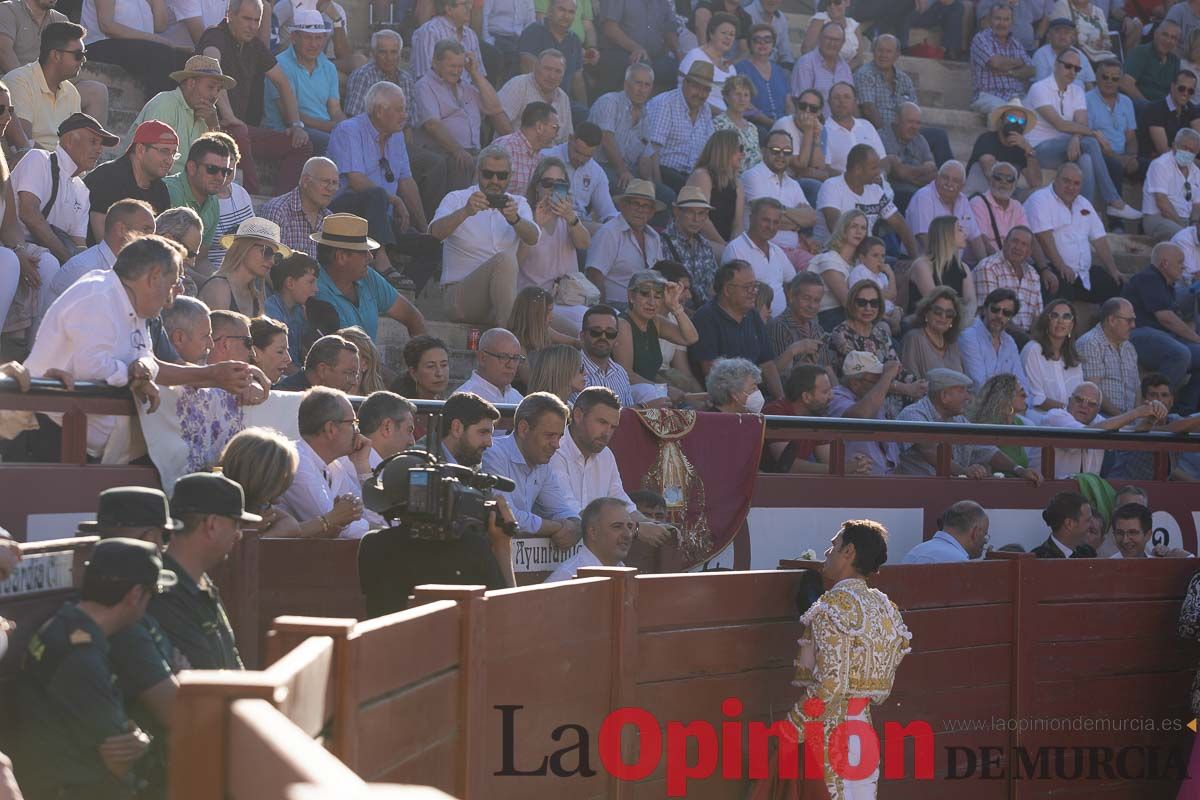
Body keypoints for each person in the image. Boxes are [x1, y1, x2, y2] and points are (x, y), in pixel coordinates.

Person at [15, 538, 174, 800]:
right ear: (135, 595)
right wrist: (143, 741)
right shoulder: (81, 657)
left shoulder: (64, 624)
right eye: (151, 593)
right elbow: (121, 757)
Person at [766, 519, 910, 800]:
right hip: (865, 730)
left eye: (833, 545)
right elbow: (882, 691)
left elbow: (831, 685)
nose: (827, 552)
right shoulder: (885, 608)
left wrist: (793, 725)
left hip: (832, 734)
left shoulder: (831, 607)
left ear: (849, 552)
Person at [198, 0, 312, 195]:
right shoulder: (215, 35)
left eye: (256, 20)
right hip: (208, 126)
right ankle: (253, 198)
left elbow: (283, 83)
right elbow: (210, 65)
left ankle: (281, 201)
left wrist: (296, 125)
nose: (252, 26)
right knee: (239, 131)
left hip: (238, 129)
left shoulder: (254, 46)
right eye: (246, 19)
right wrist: (229, 115)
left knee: (302, 144)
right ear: (230, 16)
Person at [149, 473, 259, 670]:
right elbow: (207, 675)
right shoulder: (164, 593)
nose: (239, 534)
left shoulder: (200, 581)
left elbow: (231, 662)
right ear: (212, 525)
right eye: (236, 524)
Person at [326, 82, 430, 282]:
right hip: (346, 213)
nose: (405, 115)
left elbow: (406, 181)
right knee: (377, 194)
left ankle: (399, 293)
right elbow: (356, 181)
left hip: (382, 219)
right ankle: (382, 262)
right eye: (399, 110)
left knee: (432, 245)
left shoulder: (397, 135)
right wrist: (395, 201)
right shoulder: (349, 130)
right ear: (380, 111)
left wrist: (424, 227)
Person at [1024, 48, 1141, 220]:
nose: (1072, 72)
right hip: (1039, 149)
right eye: (1068, 66)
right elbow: (1060, 124)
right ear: (1056, 65)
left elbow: (1081, 123)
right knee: (1092, 143)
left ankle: (1083, 214)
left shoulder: (1077, 91)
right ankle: (1114, 201)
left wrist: (1076, 138)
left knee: (1086, 159)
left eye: (1076, 69)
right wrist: (1094, 134)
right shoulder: (1039, 88)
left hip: (1065, 147)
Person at [430, 144, 538, 326]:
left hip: (502, 298)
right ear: (478, 173)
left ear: (510, 176)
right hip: (460, 296)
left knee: (552, 318)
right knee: (504, 259)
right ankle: (507, 341)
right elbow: (434, 234)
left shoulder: (518, 204)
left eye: (502, 176)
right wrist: (465, 211)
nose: (495, 181)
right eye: (488, 174)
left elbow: (533, 237)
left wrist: (515, 220)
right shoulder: (457, 198)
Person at [547, 386, 674, 538]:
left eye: (613, 427)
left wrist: (654, 526)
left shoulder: (606, 455)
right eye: (601, 422)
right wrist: (637, 529)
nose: (607, 433)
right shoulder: (554, 449)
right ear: (578, 415)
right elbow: (571, 513)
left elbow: (622, 502)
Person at [897, 367, 1042, 481]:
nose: (967, 397)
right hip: (916, 495)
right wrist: (964, 472)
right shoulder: (914, 415)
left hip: (946, 492)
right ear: (944, 396)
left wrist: (1019, 470)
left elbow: (985, 449)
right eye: (962, 391)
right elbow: (929, 451)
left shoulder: (957, 418)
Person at [13, 112, 115, 267]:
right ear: (69, 141)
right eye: (93, 141)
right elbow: (29, 213)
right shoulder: (38, 159)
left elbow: (78, 244)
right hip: (12, 246)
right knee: (48, 263)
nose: (99, 150)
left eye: (100, 144)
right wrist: (69, 260)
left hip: (48, 256)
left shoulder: (82, 190)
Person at [482, 391, 582, 547]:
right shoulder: (493, 454)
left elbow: (562, 510)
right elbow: (507, 516)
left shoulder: (542, 464)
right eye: (549, 435)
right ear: (523, 429)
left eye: (560, 436)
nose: (557, 445)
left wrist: (575, 525)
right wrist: (557, 527)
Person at [413, 39, 511, 192]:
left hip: (474, 152)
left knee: (500, 167)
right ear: (435, 62)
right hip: (445, 152)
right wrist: (458, 150)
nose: (456, 71)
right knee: (463, 165)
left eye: (460, 67)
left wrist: (474, 73)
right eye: (452, 66)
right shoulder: (424, 86)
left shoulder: (467, 87)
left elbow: (494, 108)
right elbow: (432, 125)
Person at [276, 386, 371, 539]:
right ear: (331, 429)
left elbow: (369, 512)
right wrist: (378, 529)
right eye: (352, 423)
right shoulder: (296, 463)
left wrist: (362, 466)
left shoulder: (335, 465)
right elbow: (343, 528)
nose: (357, 432)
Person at [1026, 163, 1125, 304]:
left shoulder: (1084, 203)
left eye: (1076, 183)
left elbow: (1099, 239)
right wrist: (1061, 266)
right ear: (1056, 179)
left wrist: (1113, 270)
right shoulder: (1040, 200)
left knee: (1117, 286)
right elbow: (1044, 238)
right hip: (1052, 268)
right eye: (1066, 181)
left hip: (1083, 274)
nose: (1071, 187)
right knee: (1060, 289)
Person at [1123, 241, 1200, 412]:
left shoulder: (1167, 285)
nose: (1184, 266)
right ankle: (1153, 407)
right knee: (1181, 353)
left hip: (1161, 337)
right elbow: (1166, 318)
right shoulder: (1149, 278)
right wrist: (1196, 338)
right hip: (1138, 334)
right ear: (1164, 263)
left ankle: (1183, 410)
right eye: (1180, 262)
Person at [689, 260, 783, 398]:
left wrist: (782, 402)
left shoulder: (753, 315)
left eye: (755, 286)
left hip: (755, 395)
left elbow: (767, 364)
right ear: (727, 290)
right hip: (726, 401)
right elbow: (711, 372)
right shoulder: (706, 318)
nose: (754, 292)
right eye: (747, 287)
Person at [260, 10, 345, 156]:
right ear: (294, 37)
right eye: (308, 37)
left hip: (322, 131)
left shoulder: (328, 67)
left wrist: (345, 126)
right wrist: (331, 127)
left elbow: (335, 110)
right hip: (289, 131)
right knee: (332, 144)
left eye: (319, 38)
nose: (314, 44)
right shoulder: (278, 65)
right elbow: (288, 117)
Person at [1040, 381, 1167, 477]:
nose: (1084, 406)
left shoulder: (1098, 421)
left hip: (1082, 494)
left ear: (1098, 410)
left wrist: (1150, 419)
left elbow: (1133, 432)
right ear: (1069, 401)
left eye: (1091, 404)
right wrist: (1137, 412)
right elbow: (1085, 435)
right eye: (1079, 400)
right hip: (1044, 489)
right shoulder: (1055, 415)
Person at [815, 145, 919, 258]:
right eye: (874, 168)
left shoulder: (875, 190)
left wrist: (915, 260)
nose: (878, 172)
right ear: (858, 169)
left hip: (866, 258)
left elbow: (900, 224)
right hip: (833, 255)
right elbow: (836, 229)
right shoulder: (832, 186)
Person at [218, 427, 321, 538]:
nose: (279, 500)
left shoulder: (260, 505)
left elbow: (292, 525)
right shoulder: (217, 499)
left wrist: (264, 537)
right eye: (277, 484)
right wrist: (249, 531)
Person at [84, 121, 176, 245]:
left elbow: (161, 241)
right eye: (164, 151)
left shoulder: (161, 190)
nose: (169, 160)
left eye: (174, 154)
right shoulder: (107, 177)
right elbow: (105, 244)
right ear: (140, 149)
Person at [740, 130, 818, 273]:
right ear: (763, 151)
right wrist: (797, 222)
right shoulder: (753, 176)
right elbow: (764, 221)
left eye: (787, 151)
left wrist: (781, 210)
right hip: (761, 250)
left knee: (818, 272)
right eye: (775, 150)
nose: (781, 155)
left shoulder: (793, 184)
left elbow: (811, 218)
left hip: (793, 251)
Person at [50, 199, 157, 302]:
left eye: (153, 233)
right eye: (145, 230)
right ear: (121, 230)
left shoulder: (136, 273)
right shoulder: (84, 270)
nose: (152, 238)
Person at [4, 20, 86, 152]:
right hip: (32, 166)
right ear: (56, 55)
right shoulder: (19, 81)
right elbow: (24, 143)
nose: (83, 60)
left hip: (62, 168)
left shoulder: (72, 92)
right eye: (78, 55)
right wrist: (56, 165)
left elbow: (76, 145)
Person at [614, 270, 698, 394]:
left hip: (652, 394)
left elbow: (691, 339)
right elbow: (626, 375)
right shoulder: (623, 324)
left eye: (658, 296)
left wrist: (675, 306)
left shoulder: (655, 322)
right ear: (631, 296)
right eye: (645, 294)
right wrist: (663, 390)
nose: (652, 302)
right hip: (630, 397)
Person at [639, 64, 716, 198]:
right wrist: (658, 185)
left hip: (692, 175)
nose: (700, 94)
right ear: (685, 83)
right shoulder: (665, 103)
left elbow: (709, 151)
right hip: (665, 171)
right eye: (696, 87)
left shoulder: (706, 109)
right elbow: (652, 150)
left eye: (706, 90)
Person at [585, 179, 664, 306]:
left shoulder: (654, 237)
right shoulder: (609, 232)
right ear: (623, 206)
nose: (640, 210)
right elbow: (594, 275)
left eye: (645, 206)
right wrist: (605, 311)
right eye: (635, 204)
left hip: (647, 306)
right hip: (616, 305)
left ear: (651, 212)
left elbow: (658, 276)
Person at [163, 133, 235, 266]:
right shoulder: (167, 192)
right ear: (191, 168)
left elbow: (199, 259)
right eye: (212, 169)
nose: (220, 177)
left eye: (225, 172)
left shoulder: (213, 201)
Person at [828, 350, 903, 474]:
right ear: (855, 383)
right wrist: (887, 376)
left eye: (881, 379)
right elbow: (859, 417)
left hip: (886, 481)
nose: (881, 385)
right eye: (876, 381)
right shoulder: (835, 397)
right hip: (857, 486)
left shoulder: (869, 398)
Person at [199, 217, 291, 316]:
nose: (272, 261)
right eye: (267, 252)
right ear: (245, 248)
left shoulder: (255, 296)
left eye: (277, 256)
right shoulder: (219, 287)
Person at [588, 63, 653, 193]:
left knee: (665, 194)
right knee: (627, 191)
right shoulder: (610, 102)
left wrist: (649, 183)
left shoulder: (646, 115)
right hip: (599, 166)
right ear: (626, 84)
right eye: (638, 83)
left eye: (647, 85)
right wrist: (622, 170)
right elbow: (606, 139)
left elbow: (645, 156)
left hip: (628, 170)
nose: (642, 89)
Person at [722, 198, 791, 318]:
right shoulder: (736, 249)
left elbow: (792, 283)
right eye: (765, 220)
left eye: (775, 222)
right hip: (752, 323)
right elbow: (734, 296)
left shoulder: (777, 251)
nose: (770, 226)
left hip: (780, 325)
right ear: (751, 218)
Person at [906, 164, 987, 264]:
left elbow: (975, 238)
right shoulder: (923, 197)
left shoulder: (963, 200)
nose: (949, 184)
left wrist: (984, 265)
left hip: (953, 264)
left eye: (955, 181)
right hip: (925, 263)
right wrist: (943, 267)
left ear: (962, 186)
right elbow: (924, 238)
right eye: (945, 178)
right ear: (937, 177)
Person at [593, 0, 679, 95]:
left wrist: (680, 53)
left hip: (655, 55)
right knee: (642, 68)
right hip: (619, 51)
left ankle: (661, 108)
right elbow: (610, 28)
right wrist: (636, 48)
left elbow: (669, 29)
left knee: (677, 69)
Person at [543, 496, 635, 581]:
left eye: (630, 527)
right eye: (617, 526)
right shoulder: (567, 578)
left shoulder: (624, 572)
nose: (628, 534)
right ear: (593, 532)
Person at [972, 225, 1043, 334]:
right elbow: (992, 314)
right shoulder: (988, 267)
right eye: (1015, 241)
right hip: (994, 335)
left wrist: (1033, 341)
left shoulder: (1033, 274)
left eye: (1024, 244)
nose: (1018, 247)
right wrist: (1025, 339)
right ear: (1005, 243)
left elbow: (1037, 316)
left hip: (1027, 339)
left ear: (1029, 252)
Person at [1076, 296, 1140, 415]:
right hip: (1101, 416)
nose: (1133, 325)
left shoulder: (1129, 347)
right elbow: (1093, 391)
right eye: (1129, 320)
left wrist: (1136, 418)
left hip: (1128, 421)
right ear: (1112, 320)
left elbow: (1137, 389)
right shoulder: (1091, 343)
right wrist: (1124, 419)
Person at [960, 288, 1030, 392]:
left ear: (1011, 318)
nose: (999, 316)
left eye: (1006, 313)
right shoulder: (969, 337)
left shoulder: (1009, 342)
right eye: (995, 309)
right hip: (977, 405)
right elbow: (980, 385)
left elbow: (1021, 382)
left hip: (1008, 404)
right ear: (984, 309)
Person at [970, 3, 1036, 113]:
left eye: (1006, 19)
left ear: (1012, 23)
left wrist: (1010, 72)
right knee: (1007, 112)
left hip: (1017, 97)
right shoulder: (981, 39)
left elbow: (1031, 70)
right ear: (990, 20)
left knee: (1036, 116)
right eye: (997, 19)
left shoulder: (1016, 43)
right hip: (988, 96)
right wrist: (1019, 62)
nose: (1002, 23)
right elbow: (995, 63)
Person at [966, 99, 1043, 193]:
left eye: (1021, 121)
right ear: (1001, 122)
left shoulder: (1022, 147)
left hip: (1006, 195)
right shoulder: (987, 138)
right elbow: (989, 171)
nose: (1016, 123)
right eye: (1012, 119)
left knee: (1036, 193)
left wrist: (1029, 150)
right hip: (981, 194)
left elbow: (1036, 183)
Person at [767, 272, 833, 381]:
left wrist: (837, 394)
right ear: (792, 296)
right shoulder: (779, 326)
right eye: (806, 298)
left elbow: (827, 367)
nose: (811, 306)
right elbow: (778, 376)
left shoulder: (817, 329)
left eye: (816, 300)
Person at [518, 0, 586, 105]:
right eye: (561, 10)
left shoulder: (575, 40)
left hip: (564, 102)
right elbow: (528, 71)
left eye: (571, 12)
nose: (566, 16)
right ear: (550, 10)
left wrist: (585, 107)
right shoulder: (534, 31)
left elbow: (577, 80)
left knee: (585, 116)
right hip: (533, 101)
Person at [1021, 298, 1083, 413]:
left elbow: (1079, 396)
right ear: (1046, 321)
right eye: (1054, 316)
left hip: (1071, 417)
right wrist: (1070, 411)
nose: (1060, 321)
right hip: (1043, 419)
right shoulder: (1033, 350)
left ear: (1071, 325)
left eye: (1066, 317)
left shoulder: (1073, 356)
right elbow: (1036, 399)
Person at [498, 50, 574, 142]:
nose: (552, 76)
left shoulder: (563, 98)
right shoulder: (519, 84)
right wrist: (517, 147)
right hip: (514, 151)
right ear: (535, 68)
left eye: (558, 71)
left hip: (550, 154)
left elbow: (566, 138)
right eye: (547, 69)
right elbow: (499, 117)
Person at [970, 372, 1039, 474]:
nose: (1026, 395)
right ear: (1006, 399)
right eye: (1021, 393)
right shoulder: (988, 426)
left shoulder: (1024, 424)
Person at [661, 186, 719, 303]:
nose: (696, 219)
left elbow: (714, 285)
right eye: (690, 212)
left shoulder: (705, 246)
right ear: (677, 212)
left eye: (701, 213)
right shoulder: (662, 243)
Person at [492, 100, 562, 197]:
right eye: (555, 128)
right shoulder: (505, 147)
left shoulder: (539, 157)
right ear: (539, 127)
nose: (557, 134)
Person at [1141, 128, 1200, 242]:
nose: (1187, 152)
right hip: (1160, 218)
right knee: (1186, 238)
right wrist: (1187, 231)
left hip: (1186, 220)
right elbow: (1162, 203)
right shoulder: (1160, 165)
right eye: (1184, 147)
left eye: (1192, 150)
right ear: (1174, 146)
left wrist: (1194, 224)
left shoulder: (1196, 172)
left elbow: (1197, 206)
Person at [411, 0, 490, 81]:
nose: (470, 7)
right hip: (436, 91)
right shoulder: (429, 32)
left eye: (470, 3)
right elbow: (425, 77)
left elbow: (480, 76)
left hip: (467, 91)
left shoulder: (471, 34)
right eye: (465, 4)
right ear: (449, 9)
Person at [880, 103, 937, 214]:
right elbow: (898, 173)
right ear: (897, 120)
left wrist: (909, 175)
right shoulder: (883, 137)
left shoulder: (920, 140)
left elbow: (933, 171)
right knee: (916, 195)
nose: (914, 127)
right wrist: (922, 171)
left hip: (915, 187)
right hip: (891, 190)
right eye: (910, 122)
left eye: (918, 123)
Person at [677, 13, 738, 113]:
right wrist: (723, 115)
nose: (728, 37)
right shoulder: (695, 56)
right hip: (699, 114)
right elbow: (683, 94)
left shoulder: (731, 67)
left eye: (732, 34)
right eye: (724, 33)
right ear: (711, 34)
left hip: (726, 118)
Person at [902, 287, 968, 379]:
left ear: (953, 320)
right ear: (926, 312)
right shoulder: (914, 338)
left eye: (949, 313)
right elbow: (910, 381)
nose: (943, 316)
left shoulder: (953, 344)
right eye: (938, 311)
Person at [265, 253, 319, 364]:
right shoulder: (271, 311)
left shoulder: (300, 312)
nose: (316, 289)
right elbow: (279, 362)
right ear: (290, 283)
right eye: (310, 282)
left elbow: (303, 352)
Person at [822, 81, 886, 174]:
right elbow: (825, 168)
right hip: (844, 186)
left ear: (855, 102)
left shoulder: (866, 125)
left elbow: (882, 159)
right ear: (829, 102)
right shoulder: (823, 131)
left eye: (847, 97)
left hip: (876, 184)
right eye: (836, 97)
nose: (842, 101)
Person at [789, 21, 852, 114]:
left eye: (836, 40)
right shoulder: (806, 63)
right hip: (815, 124)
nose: (832, 43)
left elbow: (851, 101)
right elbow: (800, 103)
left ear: (842, 43)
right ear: (819, 38)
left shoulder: (845, 67)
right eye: (828, 38)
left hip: (840, 123)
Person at [901, 501, 991, 563]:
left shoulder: (916, 551)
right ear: (975, 533)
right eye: (985, 534)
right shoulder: (958, 561)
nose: (985, 541)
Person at [969, 161, 1028, 257]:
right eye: (998, 177)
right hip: (988, 260)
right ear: (991, 180)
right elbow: (981, 240)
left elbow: (1025, 236)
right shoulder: (978, 203)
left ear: (1015, 184)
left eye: (1009, 179)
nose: (1003, 182)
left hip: (1012, 260)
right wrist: (1001, 263)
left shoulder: (1017, 206)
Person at [1138, 69, 1200, 158]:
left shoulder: (1191, 109)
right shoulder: (1155, 109)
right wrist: (1194, 162)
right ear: (1172, 86)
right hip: (1156, 162)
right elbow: (1163, 151)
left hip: (1184, 160)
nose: (1185, 93)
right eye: (1182, 88)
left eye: (1190, 91)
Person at [735, 24, 791, 123]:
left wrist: (790, 124)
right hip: (753, 125)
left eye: (767, 40)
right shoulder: (740, 68)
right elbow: (744, 104)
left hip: (782, 125)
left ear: (773, 44)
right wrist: (771, 123)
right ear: (750, 44)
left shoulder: (780, 71)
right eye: (757, 40)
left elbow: (788, 104)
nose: (762, 43)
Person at [455, 327, 526, 403]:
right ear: (482, 358)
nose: (510, 365)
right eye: (503, 357)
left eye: (515, 358)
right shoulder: (464, 399)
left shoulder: (517, 398)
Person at [1118, 19, 1180, 103]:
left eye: (1173, 38)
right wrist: (1148, 106)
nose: (1168, 40)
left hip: (1163, 109)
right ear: (1155, 34)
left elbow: (1176, 90)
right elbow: (1125, 83)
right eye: (1165, 35)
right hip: (1139, 106)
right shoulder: (1140, 52)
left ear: (1176, 42)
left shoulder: (1175, 60)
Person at [277, 332, 360, 392]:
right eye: (350, 373)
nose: (354, 382)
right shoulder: (285, 398)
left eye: (356, 375)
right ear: (322, 370)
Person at [714, 76, 764, 172]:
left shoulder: (753, 128)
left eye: (746, 95)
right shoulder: (718, 124)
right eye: (738, 94)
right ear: (726, 96)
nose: (742, 99)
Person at [438, 390, 501, 466]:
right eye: (483, 432)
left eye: (491, 434)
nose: (489, 443)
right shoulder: (422, 467)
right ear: (456, 428)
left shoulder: (470, 461)